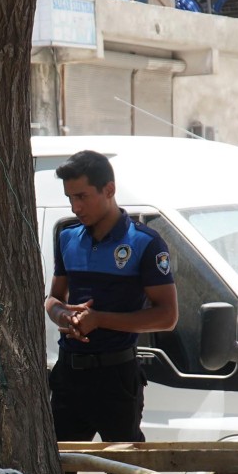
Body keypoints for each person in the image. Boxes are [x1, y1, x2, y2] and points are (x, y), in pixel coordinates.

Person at [44, 150, 178, 444]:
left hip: (116, 376)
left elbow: (167, 316)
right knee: (59, 471)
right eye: (70, 198)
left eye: (82, 196)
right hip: (69, 373)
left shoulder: (145, 243)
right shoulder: (67, 236)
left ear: (109, 190)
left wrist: (99, 320)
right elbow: (53, 299)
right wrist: (62, 315)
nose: (75, 206)